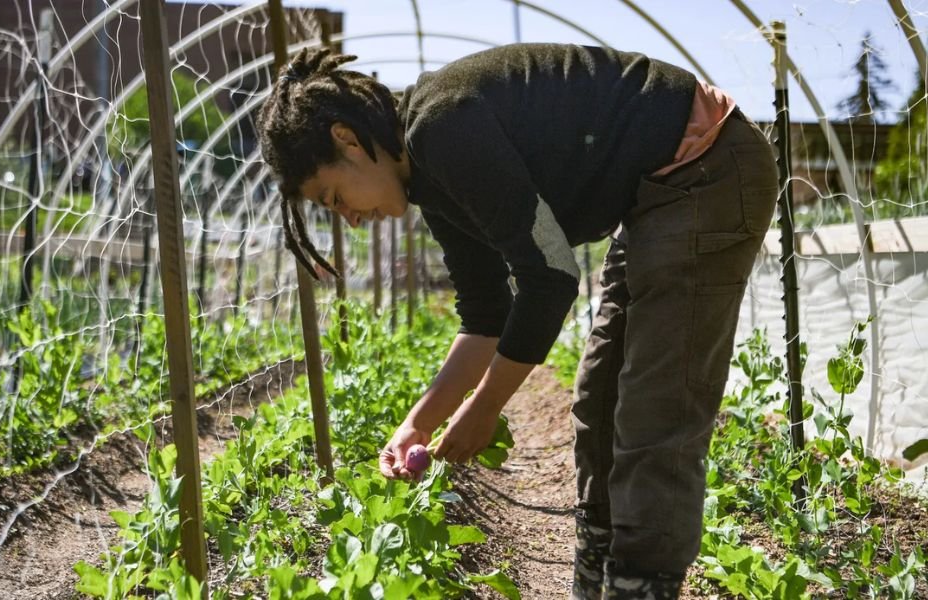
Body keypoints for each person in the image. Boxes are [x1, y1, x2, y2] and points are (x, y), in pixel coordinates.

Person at [258, 43, 778, 600]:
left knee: (657, 405)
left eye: (334, 197)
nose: (351, 220)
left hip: (705, 167)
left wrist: (483, 410)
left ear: (348, 140)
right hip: (653, 196)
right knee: (598, 397)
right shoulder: (428, 178)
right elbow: (486, 315)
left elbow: (550, 278)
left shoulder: (442, 127)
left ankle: (640, 583)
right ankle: (598, 572)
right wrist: (420, 421)